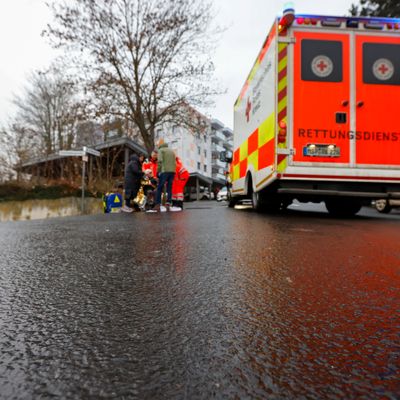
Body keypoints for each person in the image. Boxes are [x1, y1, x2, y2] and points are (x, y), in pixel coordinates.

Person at [147, 139, 176, 212]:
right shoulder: (171, 151)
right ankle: (169, 203)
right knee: (169, 187)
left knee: (159, 187)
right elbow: (174, 162)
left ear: (159, 145)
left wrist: (158, 171)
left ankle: (157, 205)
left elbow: (159, 161)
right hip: (172, 171)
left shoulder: (161, 150)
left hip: (165, 171)